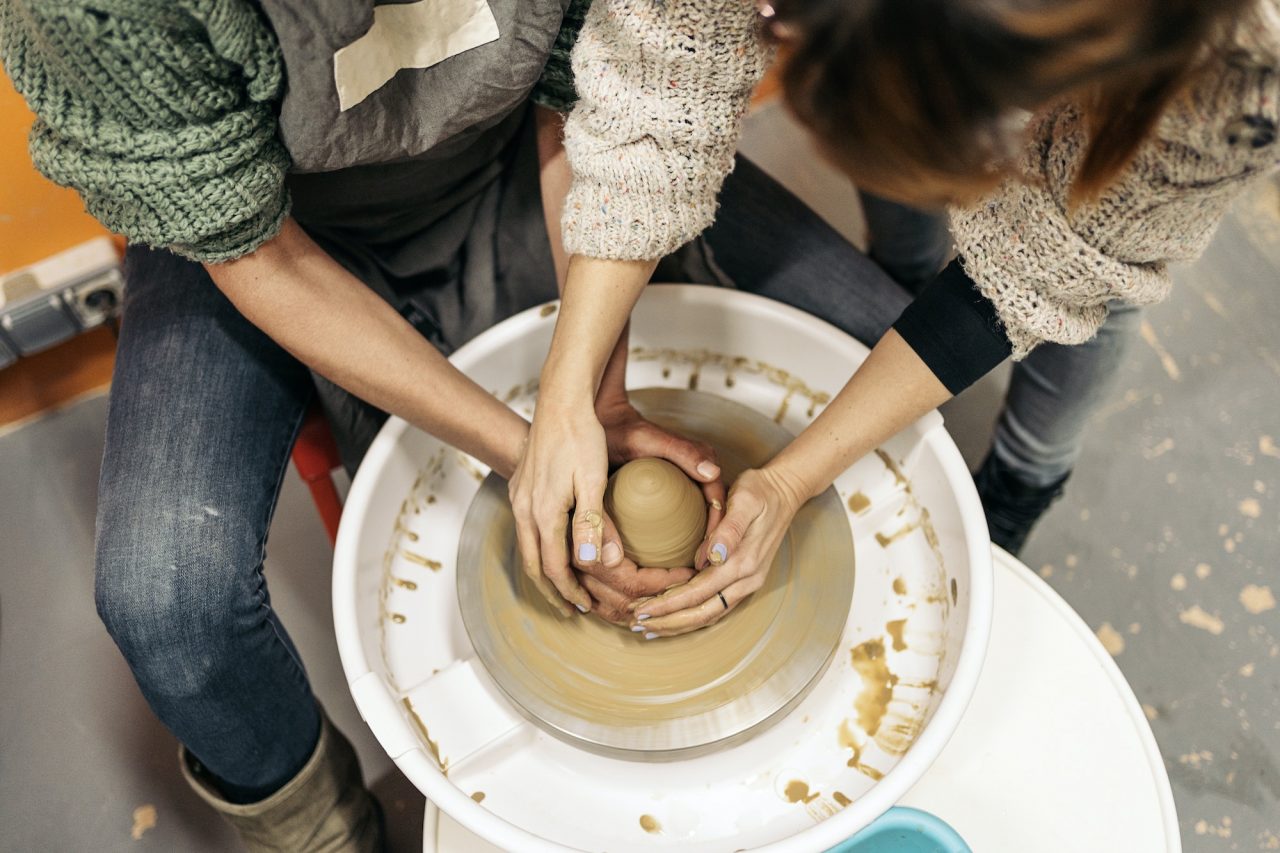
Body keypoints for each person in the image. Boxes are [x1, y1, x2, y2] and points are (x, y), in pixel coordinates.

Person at [0, 0, 930, 848]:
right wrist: (525, 448)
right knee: (167, 600)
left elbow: (599, 92)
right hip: (255, 233)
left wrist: (596, 393)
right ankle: (322, 825)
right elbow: (258, 256)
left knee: (873, 338)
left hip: (533, 148)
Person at [513, 0, 1278, 637]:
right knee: (899, 197)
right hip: (918, 46)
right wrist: (571, 388)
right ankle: (909, 272)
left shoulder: (1241, 71)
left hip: (1133, 120)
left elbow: (1047, 262)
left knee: (1085, 289)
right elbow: (663, 96)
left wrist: (794, 480)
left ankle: (1025, 475)